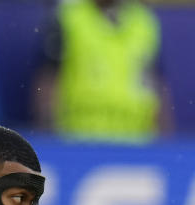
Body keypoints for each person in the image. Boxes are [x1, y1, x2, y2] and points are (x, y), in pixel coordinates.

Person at [32, 0, 171, 142]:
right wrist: (50, 138)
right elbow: (48, 82)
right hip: (78, 138)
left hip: (136, 141)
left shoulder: (144, 22)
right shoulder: (68, 17)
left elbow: (156, 86)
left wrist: (163, 145)